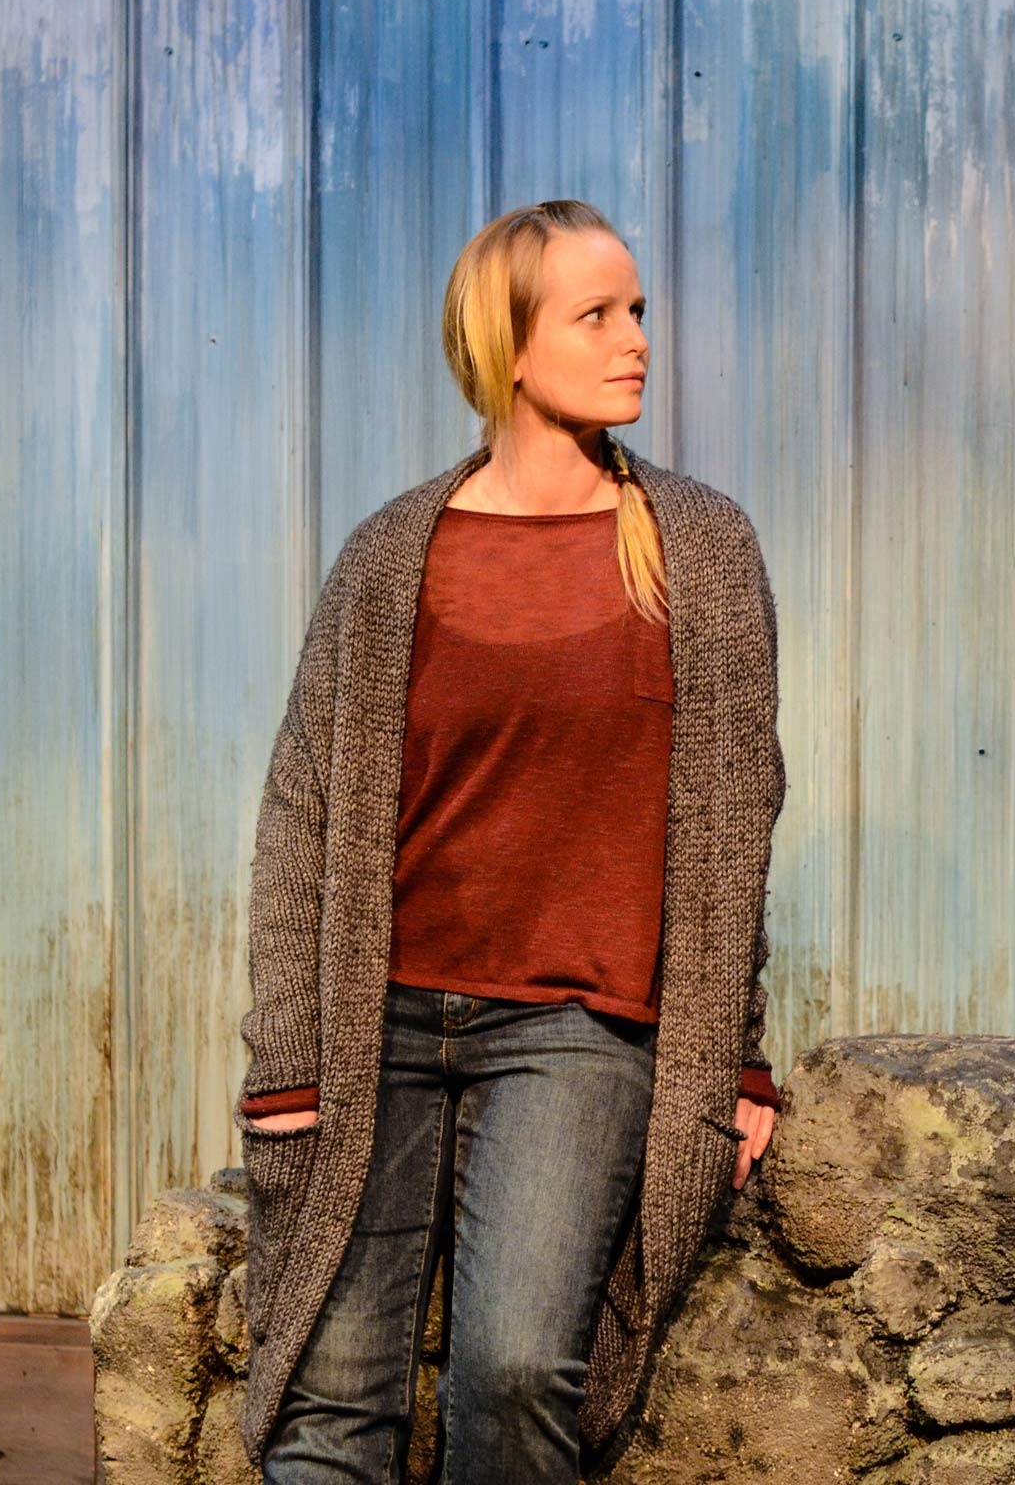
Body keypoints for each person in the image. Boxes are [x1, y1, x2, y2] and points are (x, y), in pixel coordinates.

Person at [233, 200, 786, 1480]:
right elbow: (302, 815)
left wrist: (738, 1057)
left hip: (578, 1032)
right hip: (376, 1025)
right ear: (510, 346)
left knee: (517, 1369)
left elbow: (736, 825)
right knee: (330, 1401)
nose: (635, 338)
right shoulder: (391, 557)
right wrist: (286, 1061)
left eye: (637, 309)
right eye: (597, 315)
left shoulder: (700, 552)